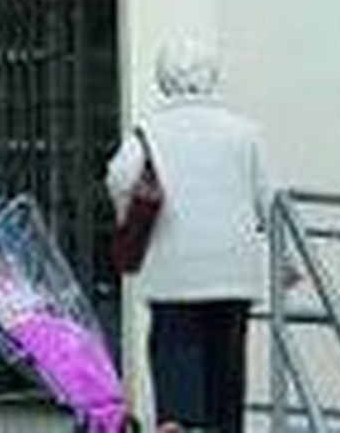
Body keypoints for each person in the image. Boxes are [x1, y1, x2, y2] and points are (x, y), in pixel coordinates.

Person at [106, 40, 268, 433]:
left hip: (173, 271)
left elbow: (121, 177)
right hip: (232, 271)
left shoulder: (150, 130)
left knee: (175, 353)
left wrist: (130, 214)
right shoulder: (244, 132)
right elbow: (270, 198)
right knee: (226, 364)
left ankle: (176, 422)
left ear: (165, 78)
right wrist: (286, 263)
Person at [0, 249, 128, 433]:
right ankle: (94, 402)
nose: (3, 258)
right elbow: (6, 311)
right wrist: (23, 298)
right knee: (67, 346)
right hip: (23, 327)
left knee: (79, 337)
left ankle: (103, 400)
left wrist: (37, 298)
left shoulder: (6, 277)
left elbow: (29, 297)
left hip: (33, 320)